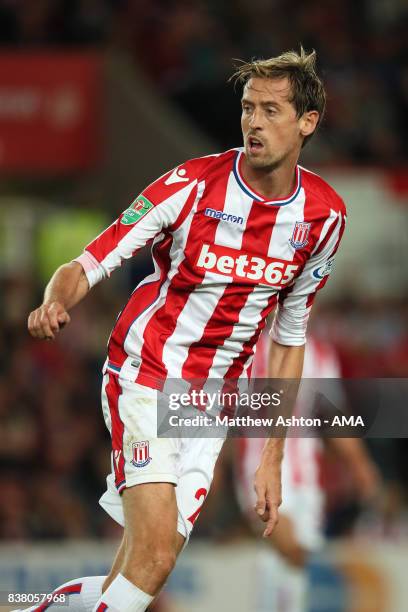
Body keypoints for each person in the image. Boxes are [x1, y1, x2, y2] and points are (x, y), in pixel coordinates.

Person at [25, 48, 346, 612]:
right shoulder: (190, 185)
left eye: (272, 110)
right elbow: (86, 262)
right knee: (151, 559)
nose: (254, 122)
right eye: (249, 108)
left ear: (307, 122)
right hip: (146, 377)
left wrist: (271, 457)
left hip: (210, 407)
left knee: (142, 573)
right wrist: (54, 301)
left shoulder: (324, 218)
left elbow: (290, 339)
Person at [236, 329, 380, 611]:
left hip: (308, 481)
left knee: (294, 565)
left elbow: (333, 416)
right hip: (259, 473)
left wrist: (360, 464)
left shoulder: (320, 353)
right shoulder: (247, 351)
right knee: (288, 548)